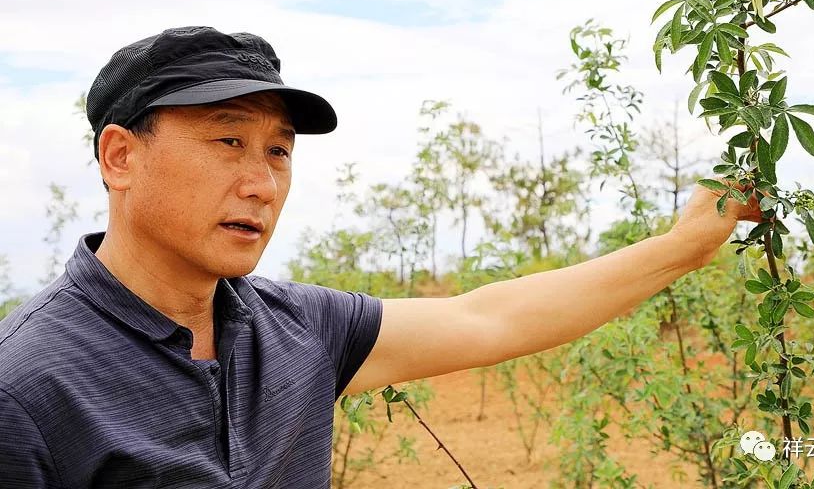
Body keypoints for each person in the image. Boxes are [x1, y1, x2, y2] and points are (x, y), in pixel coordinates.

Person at [0, 26, 762, 488]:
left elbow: (488, 319)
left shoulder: (295, 331)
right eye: (227, 140)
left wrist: (684, 248)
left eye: (278, 152)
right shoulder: (28, 389)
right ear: (121, 156)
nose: (262, 183)